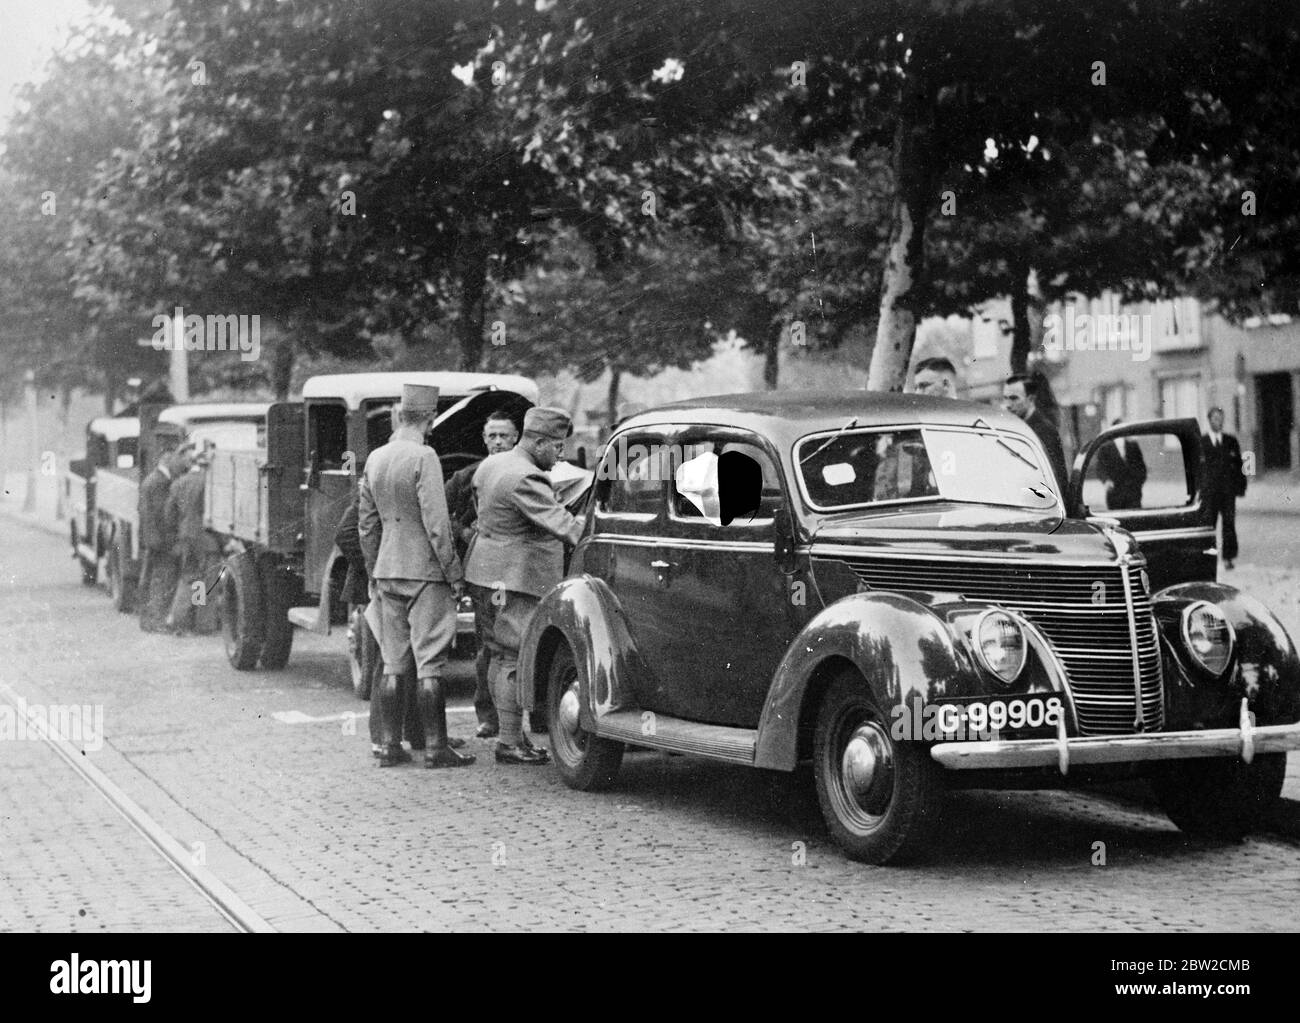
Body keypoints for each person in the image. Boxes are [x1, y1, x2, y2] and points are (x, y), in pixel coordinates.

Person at [358, 383, 473, 769]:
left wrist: (376, 567)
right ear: (429, 417)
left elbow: (366, 525)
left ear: (400, 416)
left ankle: (390, 746)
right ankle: (436, 748)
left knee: (393, 660)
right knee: (430, 662)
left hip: (387, 570)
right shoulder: (425, 457)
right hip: (425, 571)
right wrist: (454, 572)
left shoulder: (375, 458)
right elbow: (437, 525)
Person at [466, 407, 585, 765]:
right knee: (513, 656)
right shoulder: (526, 477)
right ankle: (509, 742)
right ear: (539, 441)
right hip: (515, 578)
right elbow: (563, 526)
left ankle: (510, 736)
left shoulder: (491, 465)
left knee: (498, 653)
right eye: (557, 447)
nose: (560, 455)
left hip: (485, 572)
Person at [335, 490, 453, 760]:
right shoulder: (377, 488)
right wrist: (376, 568)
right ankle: (381, 739)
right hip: (380, 584)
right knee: (385, 660)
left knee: (405, 659)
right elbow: (346, 533)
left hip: (395, 580)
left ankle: (417, 734)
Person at [444, 410, 521, 739]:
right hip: (485, 573)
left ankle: (534, 716)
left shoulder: (526, 474)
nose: (498, 442)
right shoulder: (466, 477)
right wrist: (462, 533)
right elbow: (438, 514)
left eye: (504, 435)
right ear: (484, 439)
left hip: (521, 570)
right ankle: (488, 715)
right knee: (489, 644)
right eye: (492, 436)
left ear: (516, 438)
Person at [165, 447, 219, 634]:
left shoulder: (178, 483)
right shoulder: (208, 482)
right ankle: (203, 624)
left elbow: (169, 515)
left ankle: (179, 620)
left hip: (186, 538)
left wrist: (179, 533)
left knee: (190, 578)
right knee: (209, 582)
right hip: (207, 539)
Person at [138, 445, 191, 633]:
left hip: (154, 541)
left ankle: (149, 620)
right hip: (160, 542)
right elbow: (161, 515)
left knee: (154, 580)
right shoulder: (159, 482)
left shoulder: (154, 480)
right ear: (168, 461)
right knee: (161, 581)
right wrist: (165, 542)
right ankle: (156, 620)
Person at [1002, 373, 1069, 497]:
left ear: (1031, 399)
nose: (1008, 404)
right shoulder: (1014, 425)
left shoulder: (1044, 430)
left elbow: (1055, 477)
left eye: (1014, 398)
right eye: (1005, 398)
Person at [1201, 406, 1248, 569]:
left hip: (1228, 492)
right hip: (1210, 494)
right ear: (1209, 420)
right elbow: (1198, 470)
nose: (1218, 421)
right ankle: (1209, 560)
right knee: (1209, 526)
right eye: (1215, 418)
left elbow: (1239, 465)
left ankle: (1228, 558)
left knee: (1229, 524)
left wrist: (1241, 488)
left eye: (1221, 418)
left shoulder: (1230, 441)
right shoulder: (1203, 442)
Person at [1094, 419, 1148, 511]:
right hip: (1115, 493)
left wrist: (1138, 484)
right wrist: (1106, 481)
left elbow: (1141, 467)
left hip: (1133, 493)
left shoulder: (1133, 445)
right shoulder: (1105, 448)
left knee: (1135, 519)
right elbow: (1100, 468)